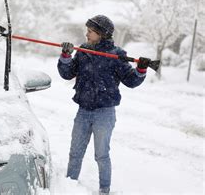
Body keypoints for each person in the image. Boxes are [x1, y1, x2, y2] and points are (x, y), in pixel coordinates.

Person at [57, 15, 150, 194]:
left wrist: (141, 69)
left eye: (90, 32)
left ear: (101, 34)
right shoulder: (83, 51)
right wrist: (66, 56)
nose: (87, 34)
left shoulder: (116, 55)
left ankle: (104, 190)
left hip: (104, 114)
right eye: (87, 31)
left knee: (101, 155)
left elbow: (131, 81)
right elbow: (68, 73)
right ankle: (69, 188)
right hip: (83, 111)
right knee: (75, 153)